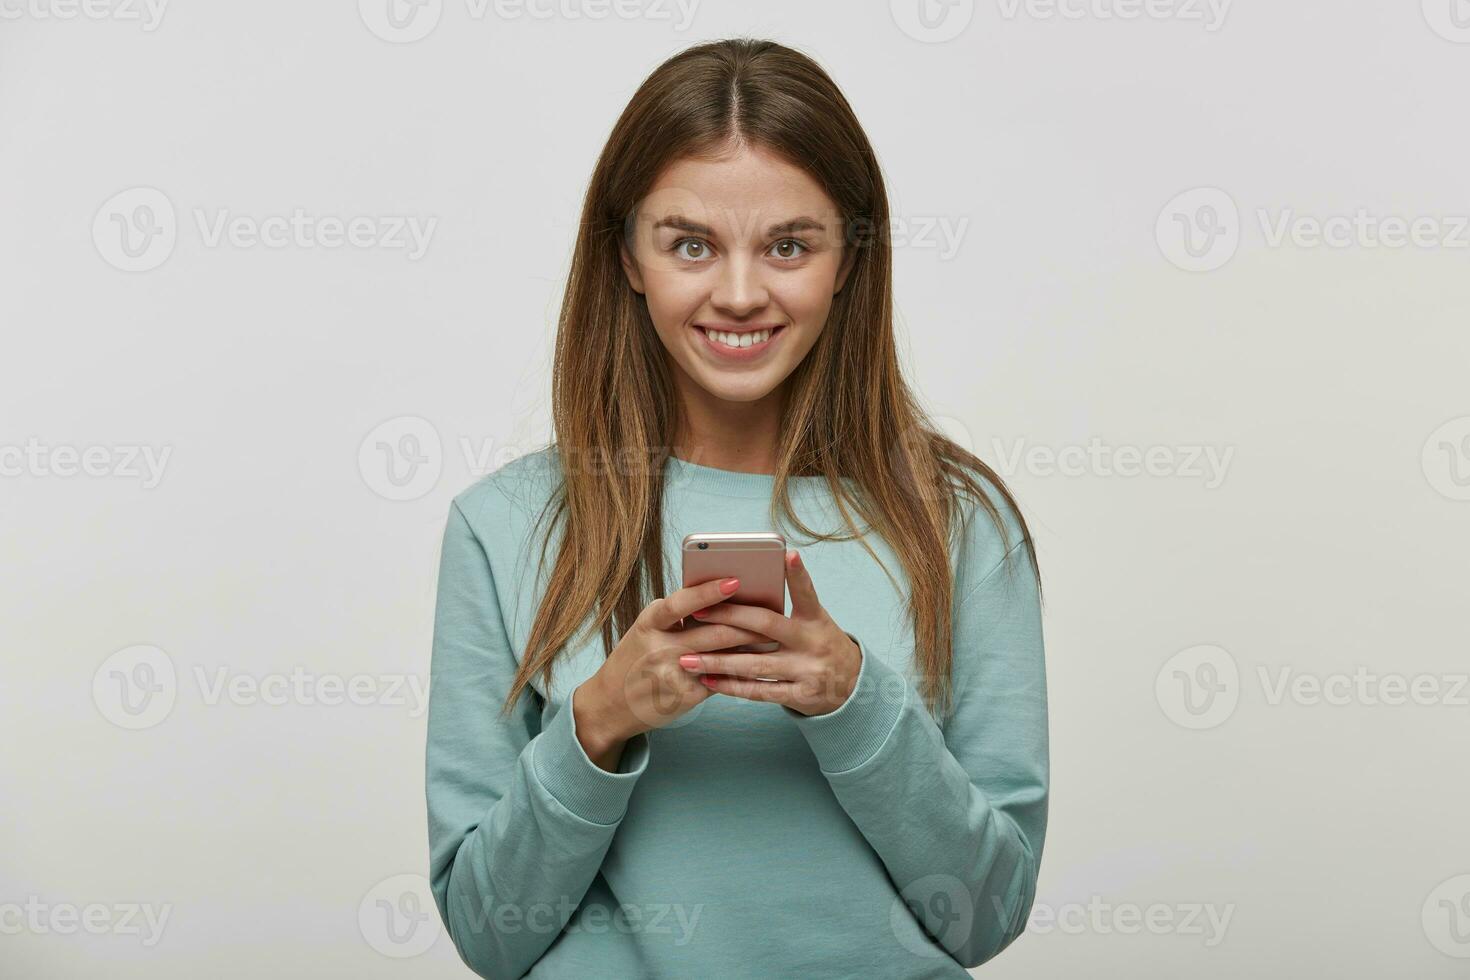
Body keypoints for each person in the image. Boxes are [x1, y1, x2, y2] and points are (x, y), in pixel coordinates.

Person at [425, 37, 1048, 979]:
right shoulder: (502, 526)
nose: (742, 294)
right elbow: (487, 932)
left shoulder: (958, 524)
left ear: (850, 260)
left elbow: (989, 916)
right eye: (690, 245)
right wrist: (597, 723)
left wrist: (855, 700)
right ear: (627, 256)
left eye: (790, 245)